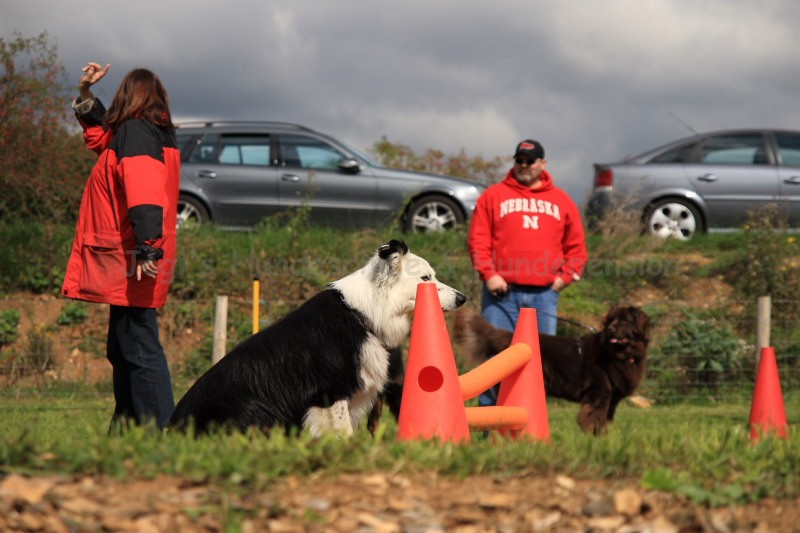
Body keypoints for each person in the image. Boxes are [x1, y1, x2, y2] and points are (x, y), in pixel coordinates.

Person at [61, 62, 181, 430]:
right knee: (124, 345)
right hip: (137, 252)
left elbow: (145, 192)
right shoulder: (143, 132)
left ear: (128, 97)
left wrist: (146, 248)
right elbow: (102, 138)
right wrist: (85, 95)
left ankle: (163, 432)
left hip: (134, 256)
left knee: (138, 345)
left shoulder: (137, 133)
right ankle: (126, 426)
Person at [467, 139, 588, 406]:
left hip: (543, 295)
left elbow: (577, 248)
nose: (524, 166)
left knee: (540, 361)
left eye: (530, 161)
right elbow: (478, 240)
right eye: (519, 160)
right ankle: (489, 420)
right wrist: (489, 274)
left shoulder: (561, 201)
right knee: (494, 358)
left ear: (542, 164)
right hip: (501, 294)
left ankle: (529, 420)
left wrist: (564, 278)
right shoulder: (494, 195)